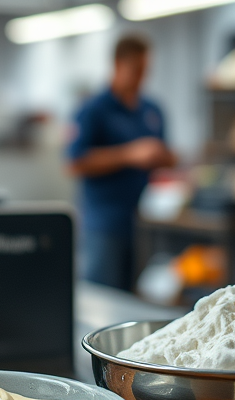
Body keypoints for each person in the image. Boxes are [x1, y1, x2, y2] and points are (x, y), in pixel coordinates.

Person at [67, 34, 175, 291]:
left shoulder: (152, 110)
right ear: (117, 64)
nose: (141, 78)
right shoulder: (93, 109)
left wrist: (164, 158)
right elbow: (74, 162)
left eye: (145, 71)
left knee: (137, 297)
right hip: (105, 224)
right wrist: (130, 154)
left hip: (145, 223)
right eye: (136, 70)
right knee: (102, 297)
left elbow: (166, 157)